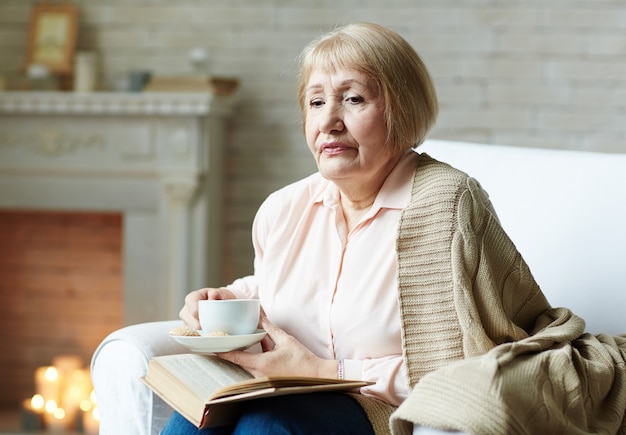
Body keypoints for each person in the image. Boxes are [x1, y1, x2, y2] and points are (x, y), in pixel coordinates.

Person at [162, 22, 626, 435]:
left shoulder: (446, 204)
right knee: (190, 422)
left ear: (400, 111)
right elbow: (286, 286)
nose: (329, 121)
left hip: (377, 410)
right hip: (280, 395)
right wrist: (223, 299)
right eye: (316, 101)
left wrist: (324, 369)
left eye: (354, 99)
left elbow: (466, 365)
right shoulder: (284, 208)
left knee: (268, 425)